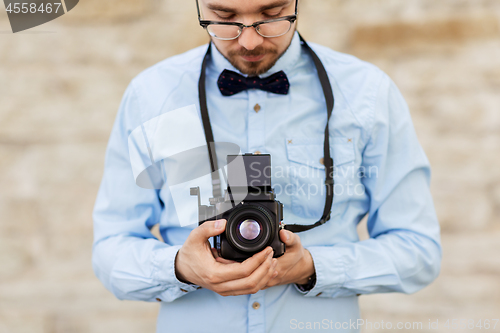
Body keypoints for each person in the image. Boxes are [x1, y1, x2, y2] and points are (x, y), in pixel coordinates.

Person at [92, 0, 442, 332]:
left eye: (271, 14)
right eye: (224, 17)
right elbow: (111, 247)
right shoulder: (150, 95)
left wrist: (314, 268)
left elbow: (418, 250)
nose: (248, 40)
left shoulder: (368, 94)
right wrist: (181, 268)